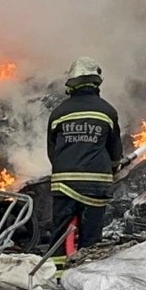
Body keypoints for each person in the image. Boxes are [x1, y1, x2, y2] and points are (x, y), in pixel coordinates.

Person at [45, 56, 122, 269]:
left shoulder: (58, 113)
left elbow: (52, 150)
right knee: (90, 237)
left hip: (64, 183)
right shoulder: (107, 111)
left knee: (60, 233)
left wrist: (65, 168)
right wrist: (113, 168)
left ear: (71, 85)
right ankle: (85, 275)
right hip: (96, 183)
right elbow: (115, 150)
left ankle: (57, 275)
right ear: (96, 83)